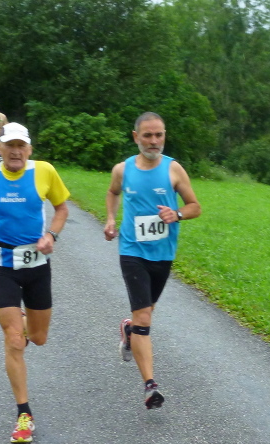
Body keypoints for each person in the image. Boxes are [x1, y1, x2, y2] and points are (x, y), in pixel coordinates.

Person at [0, 122, 70, 444]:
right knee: (14, 339)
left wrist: (51, 235)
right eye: (10, 145)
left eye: (21, 146)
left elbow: (62, 208)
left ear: (29, 149)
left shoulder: (44, 171)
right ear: (0, 148)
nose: (16, 151)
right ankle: (24, 415)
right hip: (2, 267)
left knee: (37, 338)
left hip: (37, 266)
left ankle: (23, 323)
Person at [104, 112, 201, 409]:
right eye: (147, 135)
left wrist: (177, 214)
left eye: (159, 135)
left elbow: (195, 206)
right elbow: (112, 192)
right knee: (144, 318)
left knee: (145, 313)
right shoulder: (123, 169)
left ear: (164, 136)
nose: (154, 141)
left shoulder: (174, 169)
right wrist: (110, 219)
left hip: (163, 253)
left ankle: (129, 330)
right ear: (136, 137)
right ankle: (150, 385)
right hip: (132, 250)